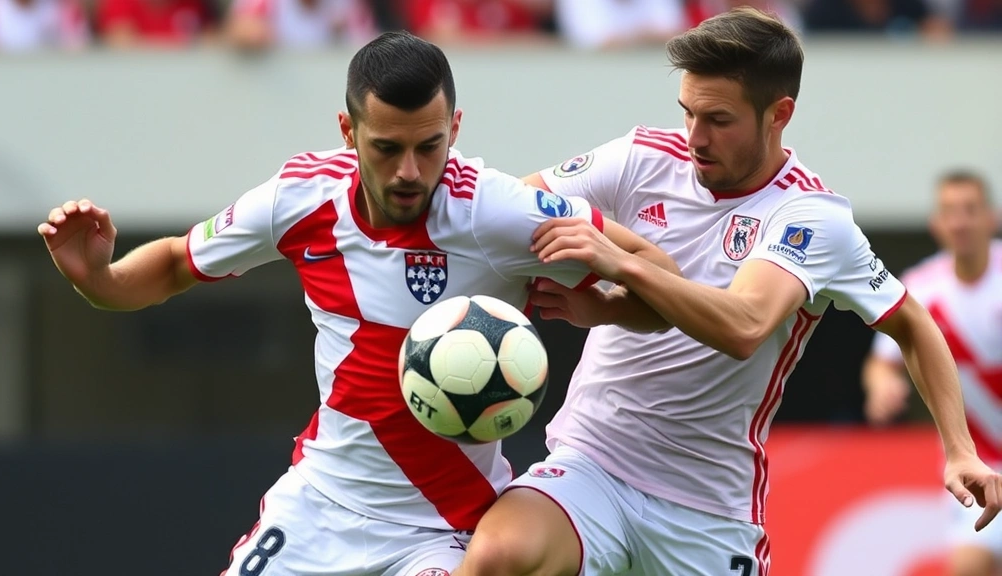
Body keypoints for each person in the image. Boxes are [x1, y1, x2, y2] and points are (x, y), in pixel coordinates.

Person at [36, 31, 677, 576]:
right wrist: (97, 277)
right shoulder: (300, 198)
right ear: (349, 131)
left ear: (455, 127)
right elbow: (177, 263)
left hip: (443, 527)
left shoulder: (498, 211)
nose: (410, 171)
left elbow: (661, 280)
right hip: (320, 505)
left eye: (430, 146)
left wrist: (610, 303)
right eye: (387, 148)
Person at [454, 8, 1002, 576]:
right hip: (592, 464)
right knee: (497, 557)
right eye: (687, 113)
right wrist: (612, 291)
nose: (695, 137)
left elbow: (748, 325)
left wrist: (960, 448)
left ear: (778, 115)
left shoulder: (809, 216)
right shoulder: (639, 158)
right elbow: (508, 211)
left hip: (709, 513)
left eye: (718, 119)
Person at [863, 171, 1002, 576]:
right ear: (936, 224)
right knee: (969, 567)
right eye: (950, 212)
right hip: (980, 464)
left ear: (991, 218)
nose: (960, 221)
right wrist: (881, 385)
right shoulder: (921, 289)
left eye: (970, 211)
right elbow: (881, 362)